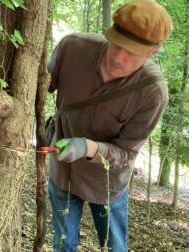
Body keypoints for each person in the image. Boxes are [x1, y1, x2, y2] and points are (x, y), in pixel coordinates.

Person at [47, 0, 172, 251]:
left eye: (132, 51)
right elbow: (35, 88)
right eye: (116, 43)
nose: (118, 56)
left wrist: (87, 147)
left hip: (107, 185)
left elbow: (126, 153)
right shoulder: (72, 49)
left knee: (115, 247)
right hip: (64, 174)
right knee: (64, 244)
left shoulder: (152, 93)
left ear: (152, 52)